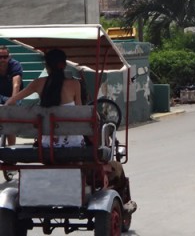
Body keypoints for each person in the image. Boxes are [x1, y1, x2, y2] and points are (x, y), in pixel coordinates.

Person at [5, 48, 137, 214]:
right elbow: (83, 116)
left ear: (47, 66)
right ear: (64, 65)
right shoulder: (74, 84)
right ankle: (123, 203)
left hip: (45, 148)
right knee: (115, 166)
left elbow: (11, 102)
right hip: (74, 148)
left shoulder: (38, 84)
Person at [0, 46, 23, 147]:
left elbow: (16, 84)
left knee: (10, 122)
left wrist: (13, 100)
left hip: (13, 95)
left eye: (5, 57)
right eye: (0, 57)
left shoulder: (15, 65)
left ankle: (11, 150)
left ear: (9, 57)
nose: (2, 60)